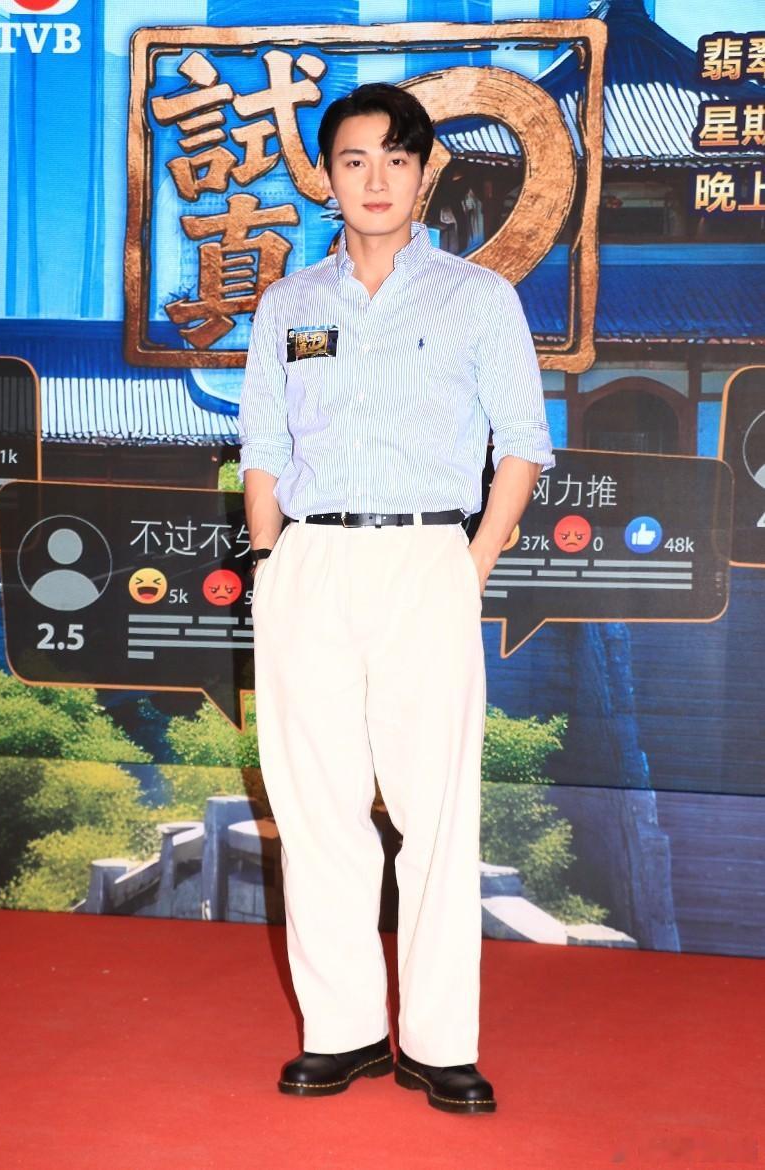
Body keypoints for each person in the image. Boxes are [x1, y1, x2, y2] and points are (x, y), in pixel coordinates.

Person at [238, 82, 554, 1115]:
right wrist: (270, 559)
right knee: (317, 810)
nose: (376, 178)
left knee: (437, 811)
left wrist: (471, 564)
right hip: (311, 563)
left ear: (425, 174)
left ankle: (439, 1043)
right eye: (354, 159)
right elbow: (263, 447)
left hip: (426, 558)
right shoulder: (288, 306)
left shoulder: (478, 297)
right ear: (327, 178)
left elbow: (523, 444)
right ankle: (343, 1032)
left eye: (397, 158)